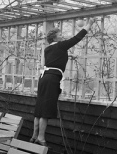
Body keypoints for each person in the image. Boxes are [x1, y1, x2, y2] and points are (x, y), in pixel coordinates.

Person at [30, 18, 95, 146]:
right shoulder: (61, 46)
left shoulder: (48, 49)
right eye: (60, 35)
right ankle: (41, 138)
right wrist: (89, 25)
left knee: (39, 108)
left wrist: (69, 56)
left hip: (44, 78)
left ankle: (34, 135)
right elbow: (77, 38)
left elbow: (55, 59)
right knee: (46, 110)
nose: (62, 36)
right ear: (55, 38)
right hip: (52, 79)